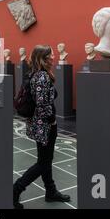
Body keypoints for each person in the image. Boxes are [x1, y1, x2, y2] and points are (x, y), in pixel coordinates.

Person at [13, 45, 70, 209]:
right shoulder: (43, 77)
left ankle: (51, 191)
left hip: (37, 124)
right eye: (51, 54)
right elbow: (43, 104)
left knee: (45, 160)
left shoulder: (34, 74)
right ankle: (15, 189)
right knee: (43, 163)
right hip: (44, 126)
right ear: (43, 58)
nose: (54, 57)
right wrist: (52, 121)